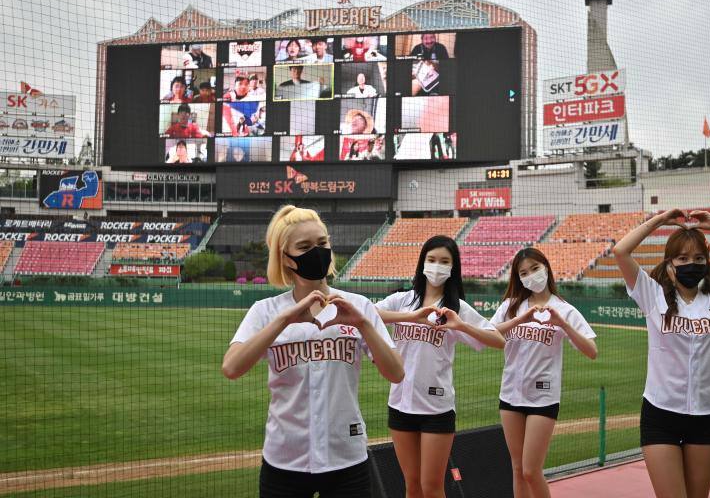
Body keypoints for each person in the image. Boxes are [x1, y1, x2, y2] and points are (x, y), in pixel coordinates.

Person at [222, 206, 404, 498]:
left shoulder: (358, 306)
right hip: (285, 458)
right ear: (285, 258)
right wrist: (282, 321)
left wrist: (363, 324)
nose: (316, 252)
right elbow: (232, 367)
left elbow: (396, 372)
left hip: (346, 456)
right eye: (304, 247)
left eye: (322, 244)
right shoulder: (267, 311)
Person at [612, 209, 710, 498]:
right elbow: (621, 251)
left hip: (705, 415)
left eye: (699, 258)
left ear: (707, 262)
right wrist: (659, 221)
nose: (691, 264)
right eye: (682, 258)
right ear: (670, 263)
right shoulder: (652, 294)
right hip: (660, 414)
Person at [375, 235, 505, 498]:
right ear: (422, 262)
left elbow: (498, 340)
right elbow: (368, 313)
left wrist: (461, 325)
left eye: (444, 261)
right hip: (400, 402)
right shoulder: (403, 300)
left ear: (453, 268)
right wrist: (412, 316)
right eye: (432, 259)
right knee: (411, 485)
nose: (437, 266)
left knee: (432, 486)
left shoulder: (456, 308)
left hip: (436, 407)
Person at [490, 248, 598, 498]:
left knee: (531, 470)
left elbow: (592, 350)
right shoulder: (511, 306)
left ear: (546, 268)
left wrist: (562, 325)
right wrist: (521, 318)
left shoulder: (564, 309)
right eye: (524, 273)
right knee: (517, 469)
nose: (531, 276)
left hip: (543, 398)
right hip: (510, 395)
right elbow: (489, 334)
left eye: (535, 269)